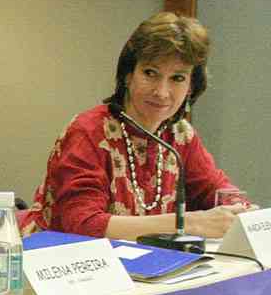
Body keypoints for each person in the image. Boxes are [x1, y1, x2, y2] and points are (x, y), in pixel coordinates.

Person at [20, 12, 246, 240]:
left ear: (191, 87)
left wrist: (239, 210)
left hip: (143, 266)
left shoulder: (180, 135)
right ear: (128, 75)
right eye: (150, 73)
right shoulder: (89, 131)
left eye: (177, 78)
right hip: (67, 264)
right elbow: (82, 224)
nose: (161, 92)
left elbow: (216, 189)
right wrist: (186, 223)